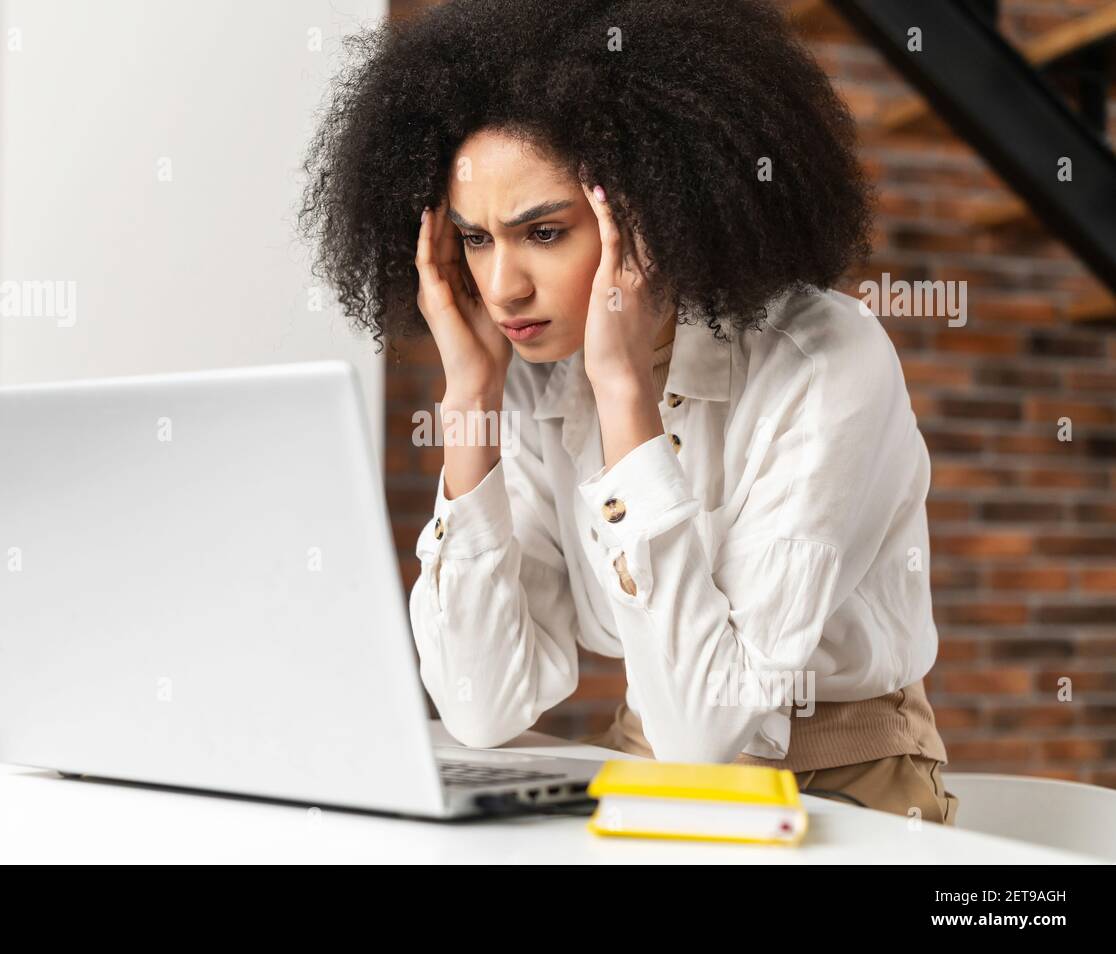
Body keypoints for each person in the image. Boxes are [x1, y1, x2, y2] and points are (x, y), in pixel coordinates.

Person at [299, 0, 957, 824]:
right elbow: (480, 704)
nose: (502, 287)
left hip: (852, 795)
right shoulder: (539, 376)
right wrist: (470, 399)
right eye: (475, 239)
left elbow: (704, 737)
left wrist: (622, 394)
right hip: (643, 772)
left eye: (543, 232)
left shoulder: (828, 361)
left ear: (646, 212)